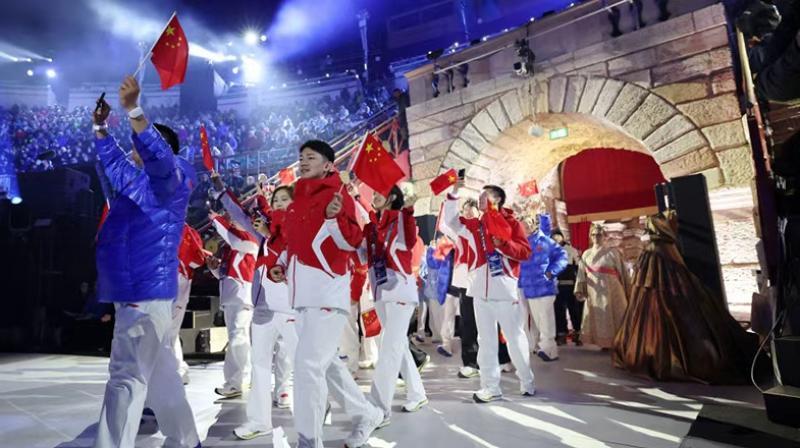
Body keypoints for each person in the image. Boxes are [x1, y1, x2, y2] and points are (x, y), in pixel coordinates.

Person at [92, 76, 200, 448]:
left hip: (144, 289)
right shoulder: (141, 185)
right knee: (161, 376)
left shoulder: (173, 179)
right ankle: (186, 439)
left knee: (125, 377)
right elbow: (114, 164)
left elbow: (158, 159)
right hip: (136, 289)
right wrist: (101, 129)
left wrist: (135, 111)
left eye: (138, 147)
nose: (133, 152)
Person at [268, 140, 383, 448]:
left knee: (307, 366)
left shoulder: (338, 195)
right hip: (301, 297)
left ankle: (309, 440)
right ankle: (367, 414)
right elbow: (293, 244)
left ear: (328, 164)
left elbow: (352, 243)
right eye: (301, 157)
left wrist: (333, 218)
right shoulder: (297, 201)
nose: (303, 162)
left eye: (311, 157)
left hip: (327, 292)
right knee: (326, 364)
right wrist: (280, 265)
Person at [613, 212, 758, 383]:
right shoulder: (664, 248)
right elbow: (677, 275)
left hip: (656, 302)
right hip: (668, 300)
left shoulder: (651, 251)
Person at [216, 183, 299, 440]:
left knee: (304, 362)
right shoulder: (264, 234)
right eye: (276, 200)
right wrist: (222, 192)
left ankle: (319, 408)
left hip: (290, 307)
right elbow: (241, 216)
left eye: (285, 199)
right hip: (263, 308)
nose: (279, 204)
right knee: (260, 364)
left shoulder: (299, 229)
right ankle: (259, 420)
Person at [440, 180, 535, 403]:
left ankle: (527, 379)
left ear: (497, 199)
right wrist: (454, 192)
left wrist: (503, 245)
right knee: (485, 341)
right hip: (479, 291)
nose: (480, 199)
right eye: (480, 196)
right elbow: (450, 221)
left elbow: (525, 252)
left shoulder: (512, 223)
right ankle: (490, 386)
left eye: (485, 196)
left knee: (514, 337)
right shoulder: (474, 226)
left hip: (504, 290)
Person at [357, 185, 428, 424]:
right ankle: (417, 394)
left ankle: (379, 409)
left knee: (389, 349)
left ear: (393, 198)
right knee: (398, 345)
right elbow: (362, 256)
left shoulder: (401, 219)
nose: (375, 195)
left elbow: (409, 239)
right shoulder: (371, 227)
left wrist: (408, 210)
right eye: (375, 192)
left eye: (381, 192)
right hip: (379, 291)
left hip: (400, 292)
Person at [208, 210, 259, 398]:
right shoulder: (231, 246)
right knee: (238, 337)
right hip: (231, 297)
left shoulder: (250, 238)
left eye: (234, 218)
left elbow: (235, 239)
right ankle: (241, 379)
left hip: (242, 296)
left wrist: (216, 219)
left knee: (238, 337)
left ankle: (237, 381)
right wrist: (214, 268)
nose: (231, 221)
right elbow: (226, 274)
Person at [518, 214, 567, 362]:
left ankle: (550, 350)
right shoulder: (520, 243)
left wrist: (551, 272)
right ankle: (540, 346)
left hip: (545, 287)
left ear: (534, 224)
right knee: (538, 321)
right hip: (529, 289)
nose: (526, 226)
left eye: (528, 223)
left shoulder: (544, 240)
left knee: (546, 318)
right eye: (523, 224)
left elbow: (562, 256)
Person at [574, 223, 629, 350]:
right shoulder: (586, 254)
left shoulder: (613, 252)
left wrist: (627, 288)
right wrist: (580, 289)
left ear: (604, 236)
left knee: (617, 315)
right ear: (590, 236)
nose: (596, 237)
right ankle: (604, 343)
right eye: (593, 234)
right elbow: (581, 273)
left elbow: (623, 272)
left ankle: (619, 342)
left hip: (613, 290)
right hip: (594, 292)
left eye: (599, 234)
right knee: (600, 316)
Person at [172, 224, 211, 384]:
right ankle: (177, 371)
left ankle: (177, 371)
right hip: (167, 282)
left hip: (177, 282)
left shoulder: (185, 230)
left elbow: (197, 259)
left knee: (168, 331)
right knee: (168, 332)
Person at [550, 229, 583, 346]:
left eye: (558, 236)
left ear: (562, 237)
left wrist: (579, 284)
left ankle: (578, 334)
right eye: (553, 237)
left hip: (570, 285)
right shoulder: (549, 251)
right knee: (559, 311)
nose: (556, 239)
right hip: (557, 286)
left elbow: (578, 268)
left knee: (574, 310)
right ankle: (561, 334)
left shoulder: (571, 250)